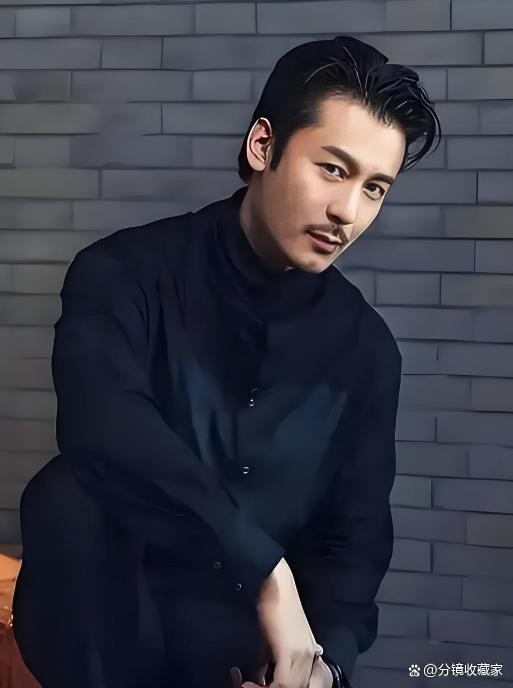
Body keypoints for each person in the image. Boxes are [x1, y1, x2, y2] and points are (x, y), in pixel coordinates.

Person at [12, 34, 441, 688]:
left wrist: (323, 669)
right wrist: (264, 571)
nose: (347, 212)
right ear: (262, 145)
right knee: (70, 495)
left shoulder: (366, 350)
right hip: (107, 633)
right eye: (333, 169)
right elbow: (102, 429)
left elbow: (352, 543)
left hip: (248, 657)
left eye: (374, 187)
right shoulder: (123, 274)